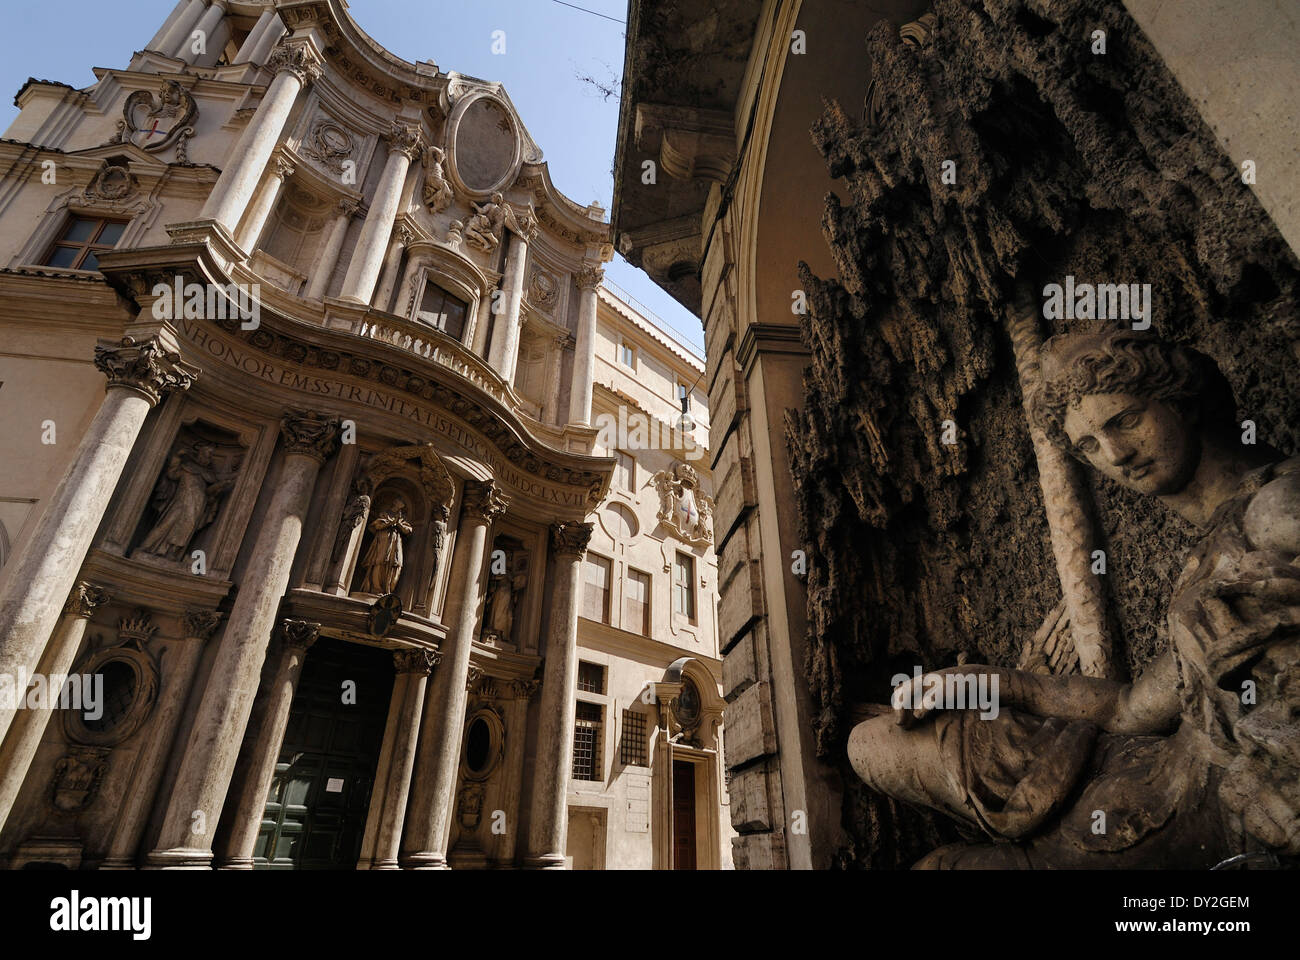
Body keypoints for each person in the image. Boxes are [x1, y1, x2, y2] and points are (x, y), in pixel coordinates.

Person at [848, 326, 1300, 867]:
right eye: (1089, 445)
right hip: (1147, 781)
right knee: (873, 745)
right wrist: (997, 682)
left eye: (1126, 419)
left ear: (1182, 402)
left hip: (1207, 820)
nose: (1115, 454)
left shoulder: (1277, 513)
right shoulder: (1212, 550)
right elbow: (1130, 708)